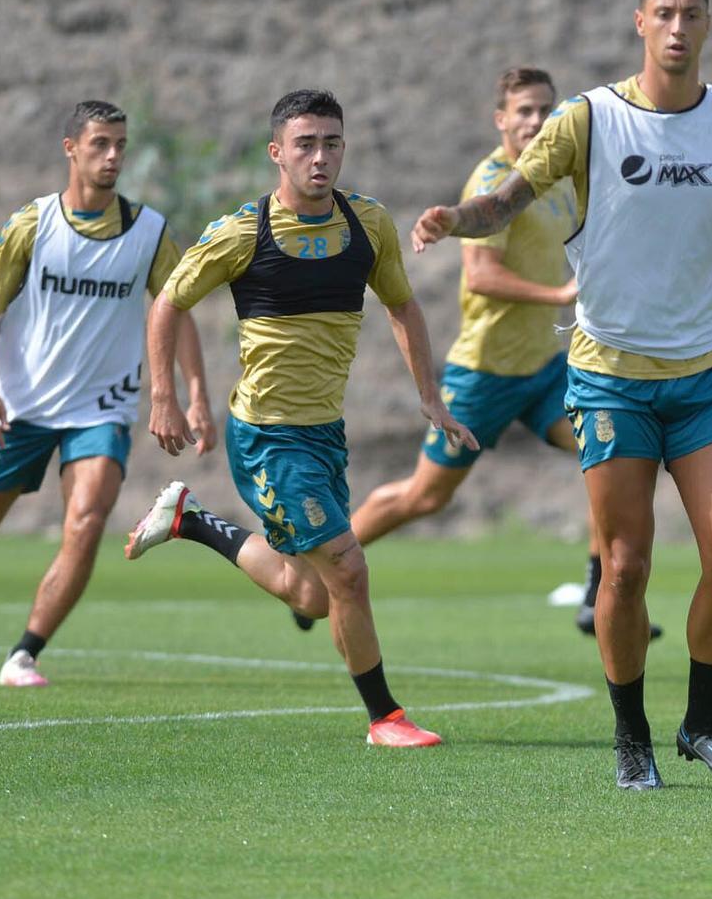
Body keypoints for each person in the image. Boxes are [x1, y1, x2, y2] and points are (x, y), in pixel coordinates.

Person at [413, 0, 712, 790]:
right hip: (610, 376)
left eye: (691, 13)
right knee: (624, 568)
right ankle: (633, 737)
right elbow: (506, 203)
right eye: (663, 12)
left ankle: (701, 723)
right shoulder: (590, 119)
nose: (677, 27)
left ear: (708, 23)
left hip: (704, 373)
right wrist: (455, 220)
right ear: (639, 22)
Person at [123, 89, 473, 747]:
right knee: (349, 570)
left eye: (332, 142)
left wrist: (431, 395)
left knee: (311, 595)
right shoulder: (243, 232)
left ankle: (192, 521)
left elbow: (403, 307)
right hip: (267, 436)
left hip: (323, 435)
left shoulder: (368, 224)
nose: (321, 156)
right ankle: (385, 718)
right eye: (306, 144)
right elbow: (168, 304)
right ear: (276, 152)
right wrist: (165, 398)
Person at [0, 100, 214, 687]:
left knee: (87, 520)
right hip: (21, 407)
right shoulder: (32, 224)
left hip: (102, 409)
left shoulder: (149, 231)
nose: (113, 155)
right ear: (71, 148)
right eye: (100, 143)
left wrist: (193, 394)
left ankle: (25, 653)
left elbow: (178, 311)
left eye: (120, 143)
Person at [348, 66, 659, 642]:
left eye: (545, 109)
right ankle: (325, 562)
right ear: (502, 121)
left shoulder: (558, 175)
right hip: (484, 373)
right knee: (425, 496)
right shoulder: (491, 182)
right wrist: (560, 293)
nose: (537, 120)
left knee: (615, 453)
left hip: (545, 369)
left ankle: (599, 594)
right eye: (524, 111)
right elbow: (483, 274)